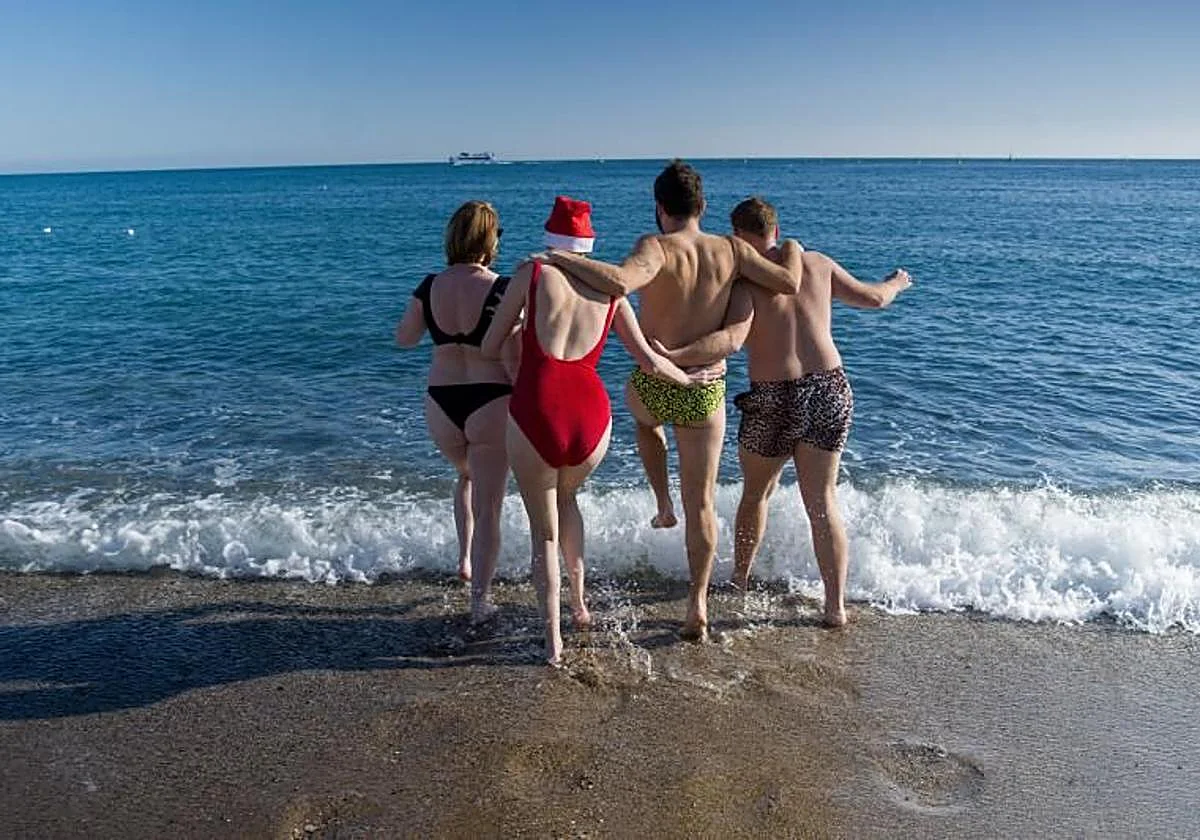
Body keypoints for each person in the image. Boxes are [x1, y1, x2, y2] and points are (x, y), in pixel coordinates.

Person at [540, 161, 803, 641]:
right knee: (702, 503)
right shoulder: (732, 251)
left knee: (643, 419)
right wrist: (793, 251)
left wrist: (560, 260)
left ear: (660, 208)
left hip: (656, 382)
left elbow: (619, 281)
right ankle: (697, 604)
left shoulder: (655, 246)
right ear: (702, 207)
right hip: (705, 391)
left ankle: (661, 501)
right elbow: (788, 283)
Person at [657, 196, 912, 626]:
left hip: (773, 396)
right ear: (775, 229)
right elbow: (873, 299)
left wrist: (673, 356)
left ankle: (740, 580)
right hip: (829, 389)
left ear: (738, 237)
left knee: (757, 494)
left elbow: (734, 340)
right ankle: (835, 608)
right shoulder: (816, 263)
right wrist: (897, 282)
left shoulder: (744, 283)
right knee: (822, 501)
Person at [483, 196, 699, 665]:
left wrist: (521, 332)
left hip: (537, 407)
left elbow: (490, 342)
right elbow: (647, 359)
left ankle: (553, 640)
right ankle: (580, 605)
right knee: (568, 500)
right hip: (590, 417)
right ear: (589, 243)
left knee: (544, 532)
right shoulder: (613, 294)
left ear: (551, 239)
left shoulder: (534, 274)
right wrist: (690, 378)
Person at [395, 200, 516, 624]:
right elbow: (515, 354)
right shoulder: (503, 288)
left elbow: (405, 339)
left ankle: (463, 561)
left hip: (442, 403)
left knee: (464, 476)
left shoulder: (429, 286)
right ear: (490, 240)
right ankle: (480, 602)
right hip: (491, 401)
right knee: (490, 507)